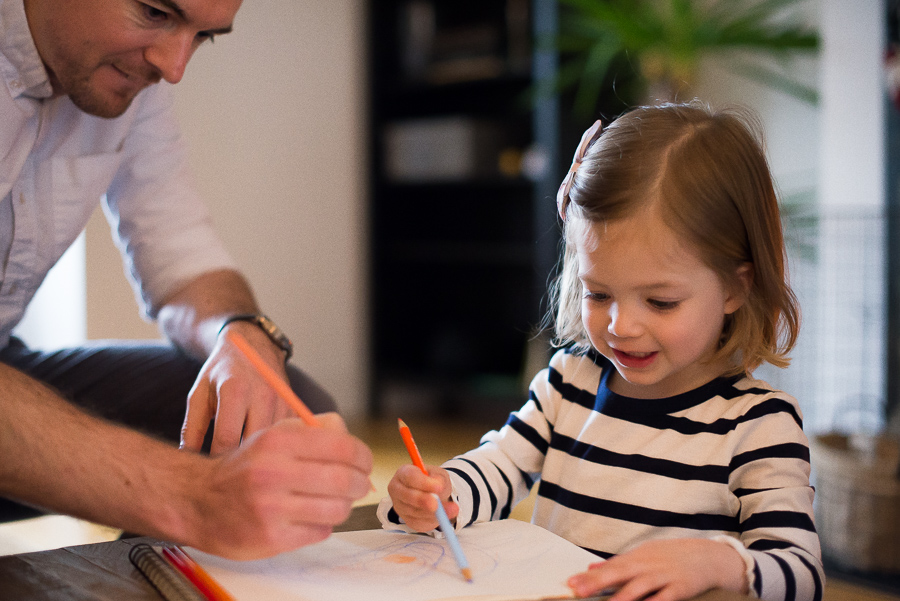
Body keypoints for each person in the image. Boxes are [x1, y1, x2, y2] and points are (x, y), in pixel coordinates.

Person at [378, 102, 824, 601]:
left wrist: (721, 561)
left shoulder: (757, 426)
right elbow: (498, 467)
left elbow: (802, 575)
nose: (620, 326)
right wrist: (442, 493)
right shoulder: (569, 382)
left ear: (733, 291)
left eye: (660, 301)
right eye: (598, 293)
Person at [0, 0, 373, 559]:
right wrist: (191, 497)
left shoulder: (134, 82)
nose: (173, 66)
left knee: (271, 408)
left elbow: (180, 256)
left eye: (203, 36)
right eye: (154, 12)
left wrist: (241, 334)